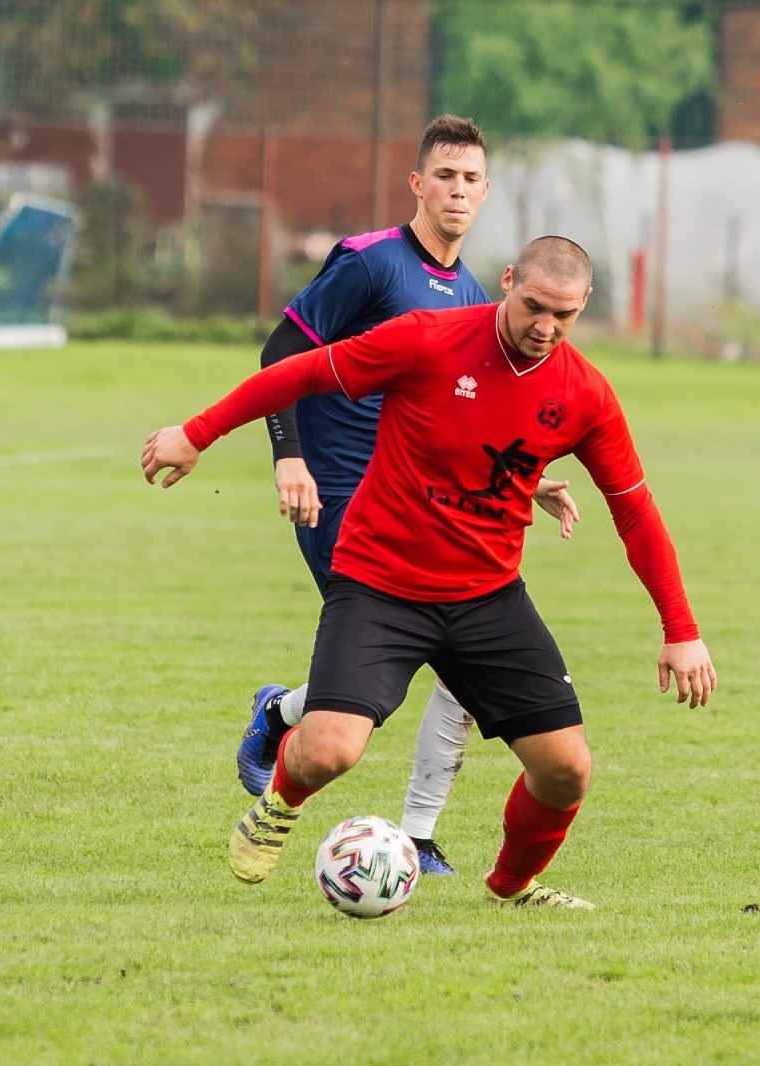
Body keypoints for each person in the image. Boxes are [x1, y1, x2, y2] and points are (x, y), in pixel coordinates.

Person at [142, 237, 717, 909]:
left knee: (567, 771)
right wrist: (197, 432)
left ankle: (512, 886)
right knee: (329, 750)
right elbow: (300, 372)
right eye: (533, 306)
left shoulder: (585, 394)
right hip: (380, 582)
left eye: (564, 315)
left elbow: (635, 512)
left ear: (584, 305)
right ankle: (278, 801)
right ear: (507, 281)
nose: (545, 328)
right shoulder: (426, 339)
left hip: (488, 598)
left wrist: (682, 628)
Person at [235, 115, 577, 878]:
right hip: (340, 500)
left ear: (486, 193)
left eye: (471, 179)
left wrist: (532, 478)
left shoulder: (478, 293)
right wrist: (289, 459)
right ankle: (413, 837)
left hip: (423, 505)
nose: (458, 190)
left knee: (418, 666)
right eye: (445, 176)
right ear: (418, 184)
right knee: (428, 663)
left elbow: (476, 412)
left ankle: (282, 717)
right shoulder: (371, 264)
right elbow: (281, 354)